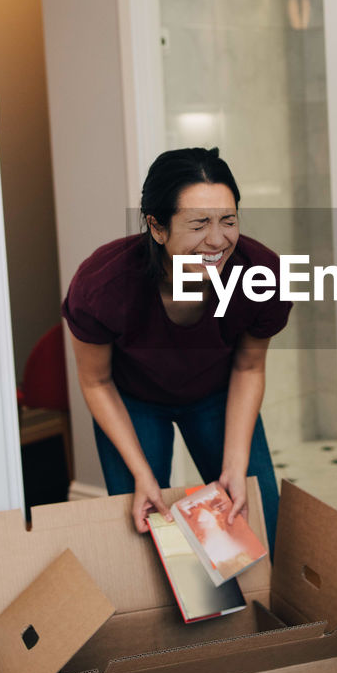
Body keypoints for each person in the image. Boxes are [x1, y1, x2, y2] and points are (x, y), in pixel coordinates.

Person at [63, 147, 290, 553]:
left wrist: (235, 467)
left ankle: (261, 617)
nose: (218, 240)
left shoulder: (263, 275)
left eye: (229, 220)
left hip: (217, 394)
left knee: (258, 516)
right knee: (143, 528)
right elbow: (95, 381)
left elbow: (249, 368)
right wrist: (141, 472)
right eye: (199, 224)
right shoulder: (102, 285)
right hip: (132, 400)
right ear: (157, 226)